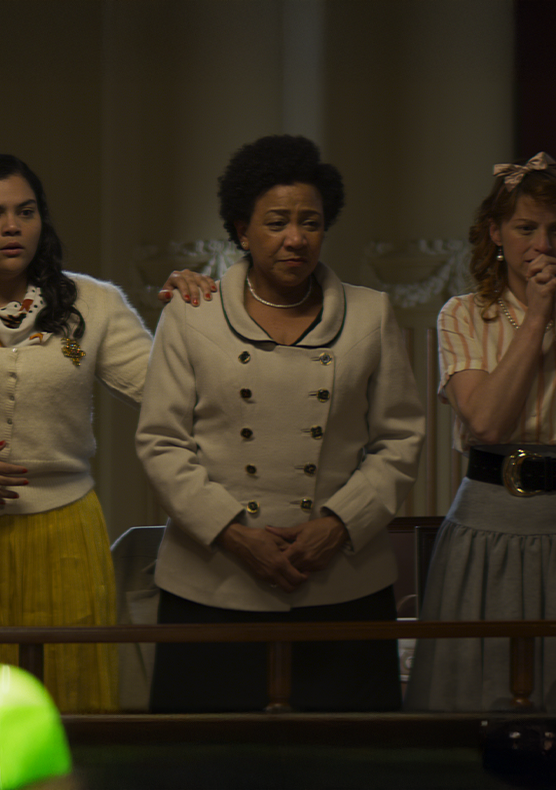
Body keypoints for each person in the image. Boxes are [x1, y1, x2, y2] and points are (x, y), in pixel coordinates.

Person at [136, 135, 425, 712]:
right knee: (208, 755)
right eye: (277, 222)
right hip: (213, 583)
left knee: (346, 755)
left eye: (310, 222)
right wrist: (234, 534)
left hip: (341, 582)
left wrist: (338, 524)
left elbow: (400, 439)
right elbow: (162, 443)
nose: (296, 238)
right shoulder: (191, 316)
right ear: (242, 230)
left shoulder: (371, 314)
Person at [404, 153, 556, 712]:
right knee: (481, 692)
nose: (543, 245)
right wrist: (535, 318)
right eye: (526, 228)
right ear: (496, 232)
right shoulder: (462, 314)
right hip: (489, 526)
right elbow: (487, 422)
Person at [0, 153, 159, 713]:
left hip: (64, 534)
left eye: (25, 212)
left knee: (67, 698)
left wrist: (201, 309)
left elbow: (170, 390)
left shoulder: (91, 305)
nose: (12, 227)